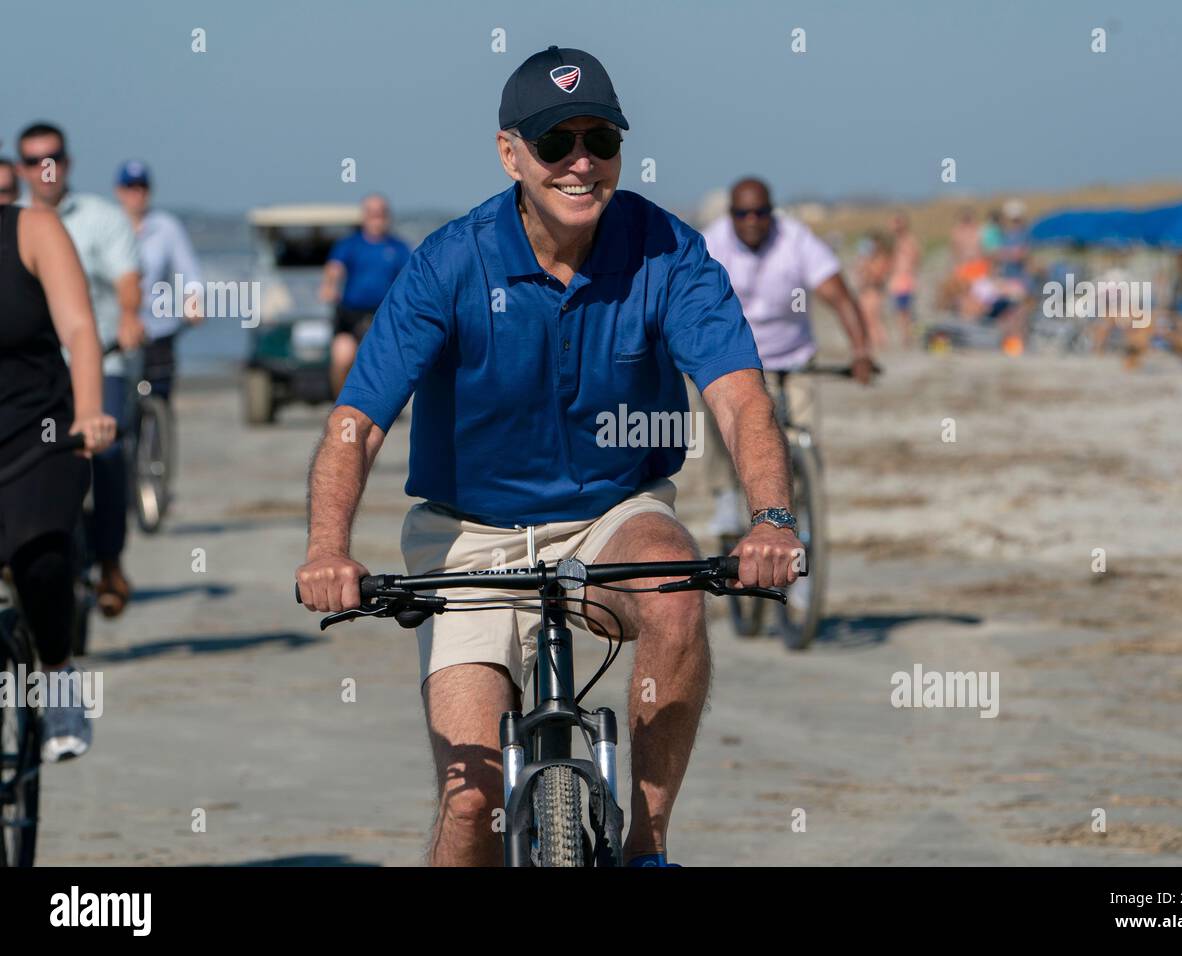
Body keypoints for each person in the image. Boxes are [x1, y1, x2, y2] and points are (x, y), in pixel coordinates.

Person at [295, 45, 803, 867]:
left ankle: (647, 847)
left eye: (599, 140)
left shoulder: (666, 251)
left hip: (612, 518)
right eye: (554, 142)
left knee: (675, 588)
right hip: (469, 538)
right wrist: (327, 549)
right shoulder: (449, 263)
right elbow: (356, 423)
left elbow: (741, 398)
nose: (580, 163)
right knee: (472, 806)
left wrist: (772, 520)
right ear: (510, 153)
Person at [0, 201, 117, 760]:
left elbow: (78, 327)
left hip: (41, 435)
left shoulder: (31, 229)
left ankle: (58, 678)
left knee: (41, 554)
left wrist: (90, 411)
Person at [699, 177, 875, 536]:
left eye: (761, 212)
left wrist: (861, 352)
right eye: (742, 213)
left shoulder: (796, 240)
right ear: (730, 214)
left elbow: (840, 296)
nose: (751, 220)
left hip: (794, 360)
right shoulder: (711, 243)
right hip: (731, 362)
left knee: (806, 439)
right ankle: (725, 498)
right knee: (721, 422)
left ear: (772, 213)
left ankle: (806, 515)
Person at [15, 122, 142, 618]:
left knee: (105, 451)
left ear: (67, 162)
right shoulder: (16, 224)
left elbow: (127, 283)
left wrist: (130, 316)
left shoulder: (102, 219)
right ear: (21, 168)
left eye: (53, 157)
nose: (44, 168)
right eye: (32, 160)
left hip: (102, 358)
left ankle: (110, 561)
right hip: (38, 375)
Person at [114, 160, 204, 402]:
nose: (137, 193)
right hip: (119, 326)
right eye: (131, 187)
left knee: (160, 393)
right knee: (117, 396)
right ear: (119, 191)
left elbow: (189, 272)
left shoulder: (167, 227)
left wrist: (192, 300)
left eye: (142, 187)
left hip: (159, 326)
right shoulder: (109, 226)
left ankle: (159, 430)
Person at [318, 194, 410, 397]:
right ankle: (343, 403)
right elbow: (335, 268)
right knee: (343, 355)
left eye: (381, 213)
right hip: (351, 315)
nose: (377, 218)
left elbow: (409, 279)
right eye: (372, 214)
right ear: (364, 216)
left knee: (388, 361)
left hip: (384, 315)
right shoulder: (350, 244)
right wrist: (329, 286)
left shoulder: (398, 247)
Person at [886, 211, 921, 347]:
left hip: (906, 279)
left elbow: (916, 258)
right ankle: (905, 336)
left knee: (906, 311)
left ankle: (908, 337)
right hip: (896, 280)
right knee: (900, 311)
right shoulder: (893, 241)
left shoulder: (909, 240)